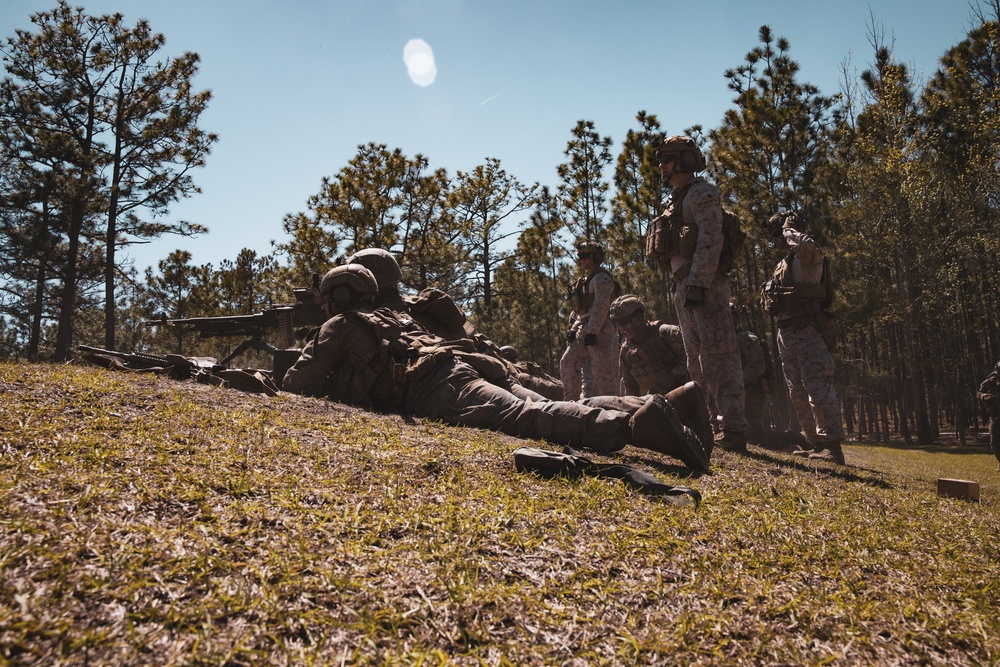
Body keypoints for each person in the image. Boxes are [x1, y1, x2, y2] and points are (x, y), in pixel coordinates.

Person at [282, 265, 712, 472]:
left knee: (527, 417)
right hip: (462, 366)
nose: (324, 307)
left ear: (338, 297)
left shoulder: (341, 323)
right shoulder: (394, 317)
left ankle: (633, 427)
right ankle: (655, 403)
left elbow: (298, 384)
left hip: (436, 384)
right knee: (541, 404)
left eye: (326, 299)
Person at [650, 135, 747, 451]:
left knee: (720, 355)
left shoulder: (701, 193)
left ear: (684, 161)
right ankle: (708, 425)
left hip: (704, 285)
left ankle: (732, 429)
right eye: (660, 160)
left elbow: (712, 239)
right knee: (696, 361)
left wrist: (698, 282)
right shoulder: (675, 201)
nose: (661, 166)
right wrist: (684, 285)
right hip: (684, 285)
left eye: (666, 159)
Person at [761, 210, 845, 464]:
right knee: (797, 391)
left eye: (777, 235)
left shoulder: (810, 257)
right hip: (786, 333)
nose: (776, 241)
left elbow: (805, 244)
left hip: (807, 331)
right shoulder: (784, 265)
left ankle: (832, 445)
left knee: (817, 387)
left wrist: (789, 229)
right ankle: (816, 443)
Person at [560, 240, 621, 400]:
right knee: (567, 363)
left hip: (601, 330)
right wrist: (574, 329)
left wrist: (592, 332)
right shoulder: (585, 281)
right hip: (584, 330)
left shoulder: (602, 278)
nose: (582, 260)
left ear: (596, 257)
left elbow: (601, 307)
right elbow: (583, 313)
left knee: (604, 374)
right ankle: (570, 403)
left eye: (585, 256)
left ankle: (612, 407)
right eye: (580, 256)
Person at [609, 294, 689, 397]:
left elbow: (690, 361)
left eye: (625, 322)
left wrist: (670, 379)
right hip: (654, 402)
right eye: (619, 324)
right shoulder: (626, 351)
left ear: (639, 317)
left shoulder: (666, 333)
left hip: (684, 394)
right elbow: (630, 388)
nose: (622, 328)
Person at [976, 361, 1000, 470]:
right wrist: (984, 396)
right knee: (995, 440)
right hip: (996, 414)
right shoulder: (990, 381)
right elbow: (979, 393)